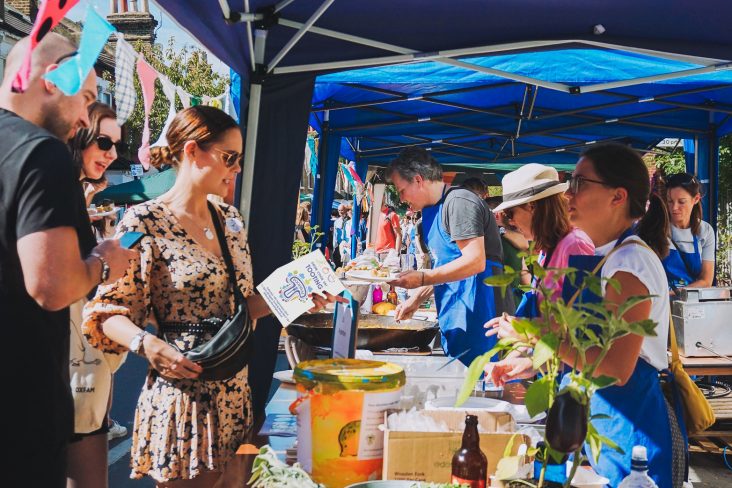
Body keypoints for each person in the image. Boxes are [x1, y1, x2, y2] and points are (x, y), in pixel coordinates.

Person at [82, 106, 341, 487]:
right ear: (191, 151)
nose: (236, 169)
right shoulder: (144, 222)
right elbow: (105, 312)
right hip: (183, 398)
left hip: (235, 394)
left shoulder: (229, 220)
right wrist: (148, 345)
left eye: (239, 160)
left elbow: (241, 310)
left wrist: (297, 295)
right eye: (229, 158)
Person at [489, 144, 686, 487]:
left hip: (631, 429)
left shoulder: (631, 264)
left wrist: (539, 336)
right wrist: (535, 361)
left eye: (579, 183)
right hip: (605, 420)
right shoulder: (608, 257)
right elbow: (588, 346)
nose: (568, 195)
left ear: (617, 197)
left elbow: (616, 368)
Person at [0, 33, 135, 487]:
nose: (84, 118)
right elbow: (51, 285)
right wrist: (104, 260)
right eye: (89, 98)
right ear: (55, 79)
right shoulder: (42, 153)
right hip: (20, 409)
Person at [388, 147, 513, 366]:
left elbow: (475, 261)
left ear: (418, 180)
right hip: (455, 311)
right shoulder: (431, 211)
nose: (401, 199)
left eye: (401, 190)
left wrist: (423, 277)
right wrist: (415, 300)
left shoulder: (459, 202)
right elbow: (445, 266)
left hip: (482, 311)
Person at [484, 164, 594, 385]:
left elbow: (584, 327)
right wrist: (520, 361)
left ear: (532, 207)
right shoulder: (547, 252)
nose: (510, 222)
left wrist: (524, 330)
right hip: (558, 375)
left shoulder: (578, 247)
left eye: (510, 213)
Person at [661, 172, 716, 294]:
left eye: (681, 202)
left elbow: (706, 280)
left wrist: (676, 293)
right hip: (661, 304)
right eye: (670, 201)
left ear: (696, 199)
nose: (674, 207)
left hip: (691, 304)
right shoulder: (657, 230)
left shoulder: (706, 231)